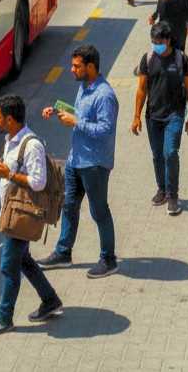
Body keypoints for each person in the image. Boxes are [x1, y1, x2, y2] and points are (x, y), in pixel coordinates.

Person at [0, 95, 63, 337]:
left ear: (10, 119)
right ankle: (50, 300)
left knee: (8, 267)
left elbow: (38, 182)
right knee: (24, 261)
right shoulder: (10, 139)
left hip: (22, 217)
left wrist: (9, 174)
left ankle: (4, 317)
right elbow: (7, 170)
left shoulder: (32, 145)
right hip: (11, 212)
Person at [38, 44, 119, 278]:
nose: (71, 69)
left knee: (99, 211)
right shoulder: (84, 87)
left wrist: (76, 122)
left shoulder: (105, 95)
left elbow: (105, 129)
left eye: (76, 66)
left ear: (90, 67)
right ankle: (63, 252)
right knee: (69, 206)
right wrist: (57, 110)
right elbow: (80, 114)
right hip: (76, 160)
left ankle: (108, 259)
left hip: (94, 163)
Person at [131, 21, 188, 215]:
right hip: (153, 116)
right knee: (157, 155)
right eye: (153, 41)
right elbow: (141, 90)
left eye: (158, 41)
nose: (155, 45)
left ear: (168, 40)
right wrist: (136, 117)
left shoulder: (181, 60)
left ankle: (173, 195)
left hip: (175, 114)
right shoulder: (148, 59)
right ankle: (162, 189)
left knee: (170, 153)